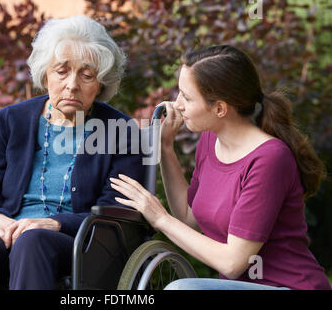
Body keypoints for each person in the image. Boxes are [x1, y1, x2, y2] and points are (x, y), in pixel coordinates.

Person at [0, 15, 144, 290]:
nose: (72, 84)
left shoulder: (120, 130)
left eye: (87, 75)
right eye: (61, 71)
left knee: (33, 241)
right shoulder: (9, 121)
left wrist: (55, 224)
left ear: (101, 83)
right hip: (7, 237)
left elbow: (115, 215)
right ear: (45, 73)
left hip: (80, 247)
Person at [110, 45, 331, 290]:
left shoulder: (270, 159)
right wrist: (165, 147)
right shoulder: (210, 141)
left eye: (187, 97)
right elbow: (187, 216)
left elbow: (232, 263)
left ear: (220, 108)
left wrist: (159, 218)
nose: (177, 104)